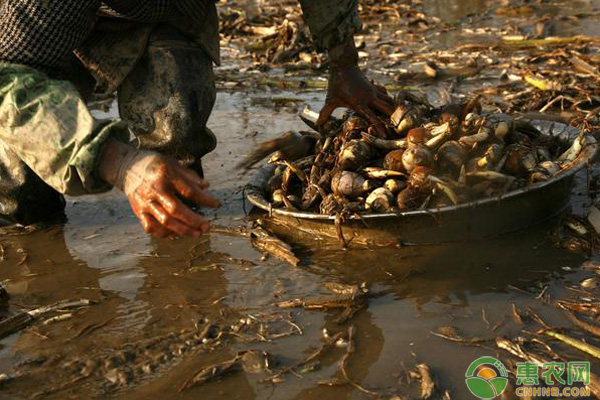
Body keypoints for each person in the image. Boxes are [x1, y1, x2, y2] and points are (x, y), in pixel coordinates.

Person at [0, 0, 395, 238]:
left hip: (174, 10)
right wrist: (117, 162)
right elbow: (8, 80)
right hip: (30, 39)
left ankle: (181, 262)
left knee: (176, 156)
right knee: (21, 197)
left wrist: (343, 62)